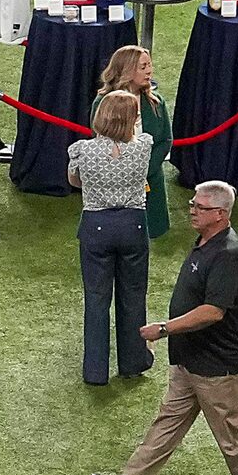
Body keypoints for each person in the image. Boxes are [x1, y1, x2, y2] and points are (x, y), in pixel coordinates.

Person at [90, 182, 238, 475]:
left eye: (200, 207)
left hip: (217, 364)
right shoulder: (206, 242)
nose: (192, 209)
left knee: (233, 434)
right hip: (190, 359)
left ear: (221, 214)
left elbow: (214, 311)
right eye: (192, 203)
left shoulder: (228, 253)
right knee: (168, 420)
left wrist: (164, 329)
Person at [69, 91, 157, 383]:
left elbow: (74, 180)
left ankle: (95, 371)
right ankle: (133, 361)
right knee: (133, 295)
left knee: (96, 299)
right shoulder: (144, 146)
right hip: (133, 225)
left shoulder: (82, 149)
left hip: (96, 226)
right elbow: (140, 136)